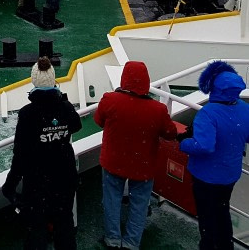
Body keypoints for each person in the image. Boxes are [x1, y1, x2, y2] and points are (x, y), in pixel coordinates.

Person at [94, 60, 177, 249]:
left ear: (124, 79)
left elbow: (99, 120)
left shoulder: (110, 99)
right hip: (143, 165)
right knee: (139, 205)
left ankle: (112, 240)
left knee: (111, 200)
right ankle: (131, 242)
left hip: (114, 161)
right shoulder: (158, 109)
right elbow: (170, 133)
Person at [2, 57, 82, 250]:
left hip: (38, 179)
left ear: (34, 81)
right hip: (64, 175)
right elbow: (76, 125)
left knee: (37, 227)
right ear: (54, 80)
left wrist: (10, 184)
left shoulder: (28, 113)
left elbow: (20, 152)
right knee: (64, 222)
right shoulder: (65, 107)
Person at [177, 61, 249, 250]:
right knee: (222, 210)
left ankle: (208, 246)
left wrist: (183, 143)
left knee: (208, 219)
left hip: (206, 177)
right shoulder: (244, 108)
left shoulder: (208, 113)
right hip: (230, 174)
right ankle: (226, 245)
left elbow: (204, 146)